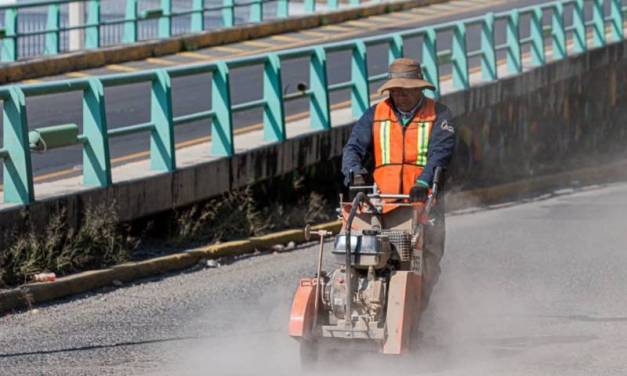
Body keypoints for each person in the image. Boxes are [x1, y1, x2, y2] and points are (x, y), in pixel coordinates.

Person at [341, 58, 456, 309]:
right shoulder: (374, 115)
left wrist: (424, 182)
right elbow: (353, 148)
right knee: (364, 254)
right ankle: (363, 304)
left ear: (419, 89)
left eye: (406, 89)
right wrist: (354, 173)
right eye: (395, 89)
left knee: (426, 261)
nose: (400, 95)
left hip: (421, 203)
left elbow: (440, 153)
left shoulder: (439, 115)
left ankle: (419, 311)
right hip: (381, 203)